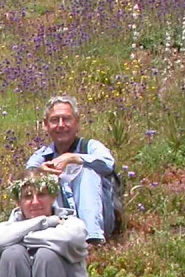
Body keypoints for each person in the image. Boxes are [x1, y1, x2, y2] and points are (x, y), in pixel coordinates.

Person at [25, 95, 120, 244]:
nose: (61, 125)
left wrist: (74, 158)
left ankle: (92, 240)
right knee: (39, 180)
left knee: (88, 172)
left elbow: (108, 164)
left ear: (77, 123)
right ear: (45, 125)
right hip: (60, 228)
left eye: (66, 119)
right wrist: (40, 173)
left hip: (99, 222)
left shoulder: (91, 147)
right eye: (55, 120)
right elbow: (27, 173)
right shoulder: (42, 155)